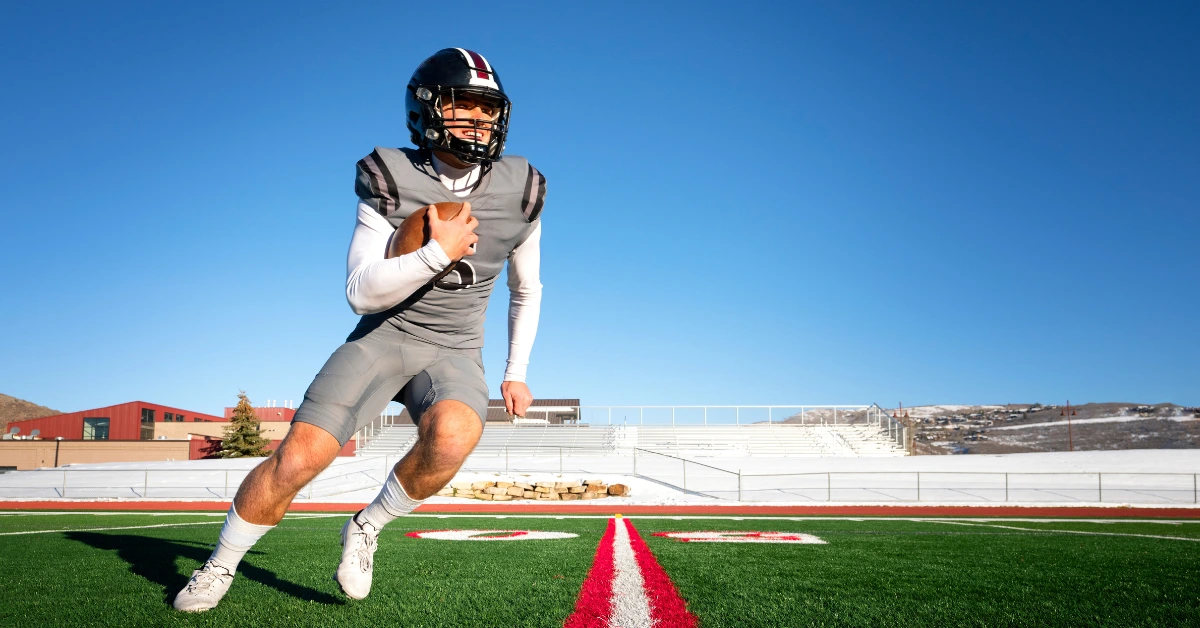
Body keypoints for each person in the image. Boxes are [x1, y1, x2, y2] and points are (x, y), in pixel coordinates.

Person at [173, 48, 545, 612]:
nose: (478, 120)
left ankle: (366, 526)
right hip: (383, 338)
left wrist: (516, 372)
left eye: (487, 109)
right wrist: (434, 255)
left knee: (453, 438)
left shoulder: (522, 188)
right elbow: (359, 292)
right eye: (462, 105)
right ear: (426, 111)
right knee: (298, 458)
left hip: (455, 349)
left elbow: (527, 288)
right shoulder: (390, 175)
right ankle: (220, 564)